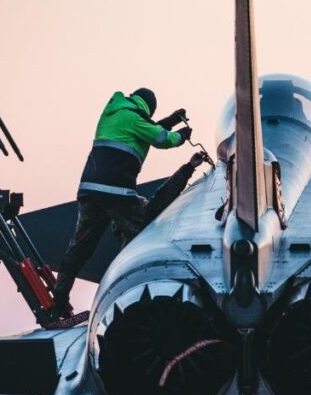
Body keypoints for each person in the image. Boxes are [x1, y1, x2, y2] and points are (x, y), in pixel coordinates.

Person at [51, 88, 205, 315]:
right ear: (149, 108)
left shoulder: (115, 113)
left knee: (80, 247)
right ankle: (130, 293)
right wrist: (181, 136)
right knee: (143, 232)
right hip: (116, 191)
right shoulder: (135, 119)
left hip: (90, 190)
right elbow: (161, 138)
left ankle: (59, 302)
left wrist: (171, 120)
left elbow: (146, 129)